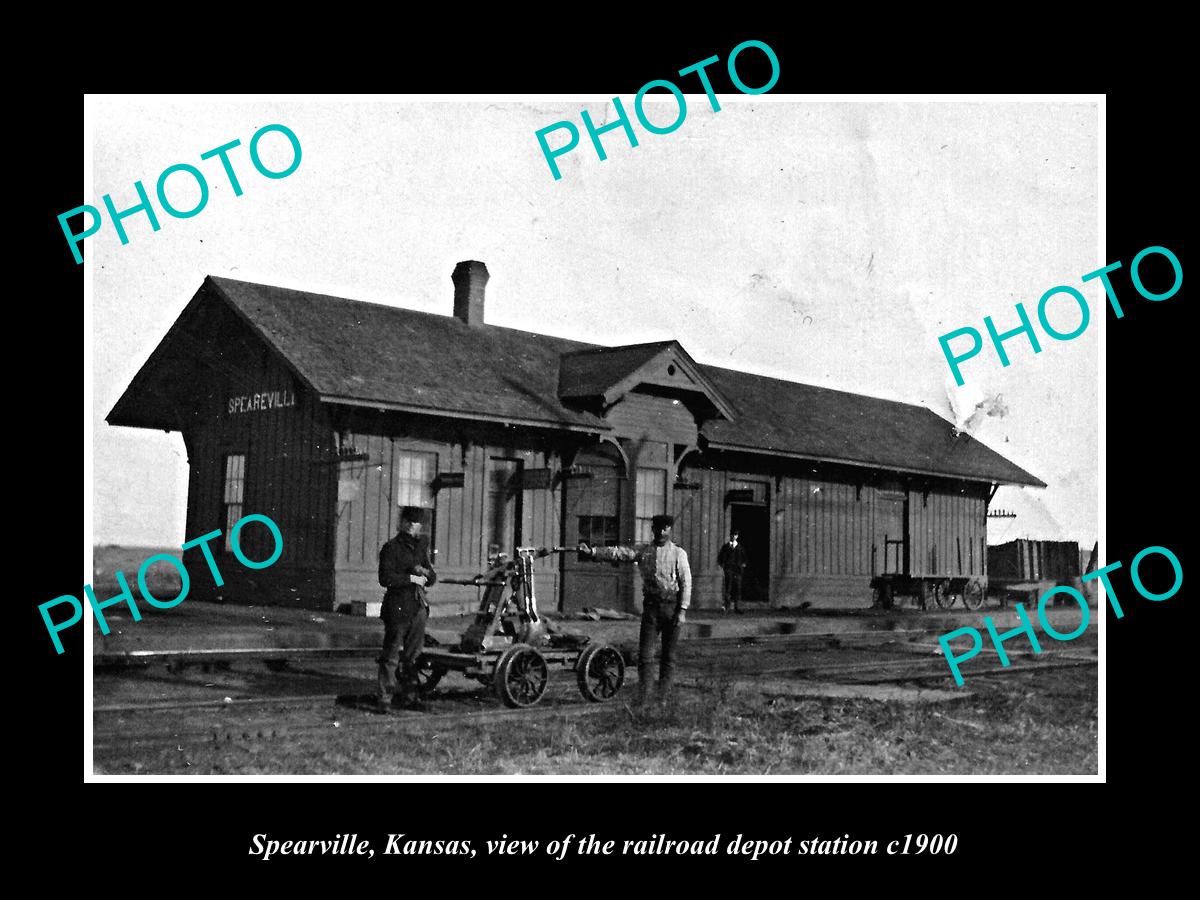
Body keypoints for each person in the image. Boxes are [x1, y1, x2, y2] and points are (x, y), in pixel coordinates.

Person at [578, 514, 692, 704]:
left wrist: (682, 611)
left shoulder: (679, 554)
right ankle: (645, 697)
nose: (661, 532)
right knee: (646, 656)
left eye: (665, 528)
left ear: (670, 530)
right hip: (651, 610)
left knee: (668, 657)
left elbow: (686, 583)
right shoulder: (644, 552)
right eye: (658, 528)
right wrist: (592, 552)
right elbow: (619, 553)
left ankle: (663, 698)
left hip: (672, 609)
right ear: (653, 529)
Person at [375, 506, 437, 713]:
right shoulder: (391, 548)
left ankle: (409, 697)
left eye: (416, 522)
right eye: (408, 521)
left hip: (418, 609)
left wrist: (426, 573)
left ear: (420, 525)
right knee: (391, 655)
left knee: (412, 657)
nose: (412, 525)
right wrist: (411, 576)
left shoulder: (420, 548)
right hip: (398, 607)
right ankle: (385, 700)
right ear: (401, 523)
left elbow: (432, 579)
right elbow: (385, 579)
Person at [717, 529, 748, 613]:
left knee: (737, 588)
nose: (733, 536)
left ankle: (736, 607)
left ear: (737, 536)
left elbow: (744, 559)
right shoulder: (726, 547)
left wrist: (741, 566)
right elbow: (720, 558)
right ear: (730, 536)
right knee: (728, 588)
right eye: (732, 535)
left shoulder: (740, 547)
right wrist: (724, 566)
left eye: (735, 535)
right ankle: (727, 607)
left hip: (737, 571)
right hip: (728, 570)